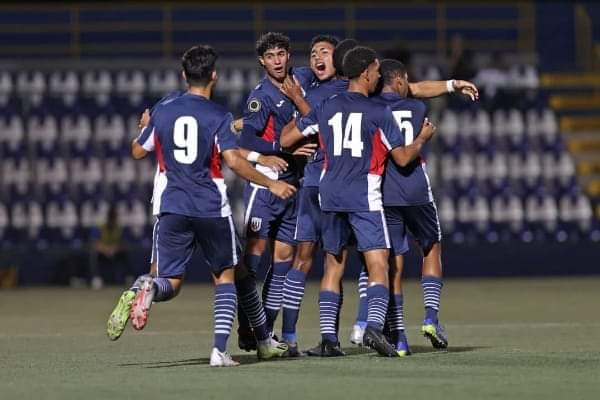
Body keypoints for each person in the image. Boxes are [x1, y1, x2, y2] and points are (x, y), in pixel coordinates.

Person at [280, 38, 479, 351]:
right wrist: (422, 138)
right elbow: (401, 158)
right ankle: (372, 326)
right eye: (374, 70)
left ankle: (328, 340)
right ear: (363, 74)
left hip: (329, 193)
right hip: (364, 195)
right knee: (378, 263)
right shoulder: (377, 111)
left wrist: (303, 145)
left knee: (333, 265)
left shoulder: (327, 106)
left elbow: (286, 136)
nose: (377, 75)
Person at [107, 44, 295, 367]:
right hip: (210, 208)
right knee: (227, 277)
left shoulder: (164, 108)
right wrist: (271, 182)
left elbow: (137, 152)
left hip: (171, 208)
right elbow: (233, 161)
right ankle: (220, 350)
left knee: (174, 282)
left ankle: (150, 287)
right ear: (214, 76)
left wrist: (142, 128)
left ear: (183, 75)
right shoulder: (217, 115)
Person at [237, 32, 313, 350]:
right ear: (262, 61)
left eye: (281, 54)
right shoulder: (261, 96)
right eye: (271, 56)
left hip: (294, 183)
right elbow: (247, 139)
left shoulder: (301, 79)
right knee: (252, 261)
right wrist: (275, 151)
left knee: (283, 259)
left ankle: (265, 330)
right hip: (264, 183)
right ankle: (246, 330)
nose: (277, 61)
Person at [374, 59, 452, 356]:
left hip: (386, 192)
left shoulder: (373, 109)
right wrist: (451, 85)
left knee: (393, 264)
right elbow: (416, 94)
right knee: (431, 248)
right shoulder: (418, 108)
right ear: (401, 80)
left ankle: (401, 338)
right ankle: (431, 317)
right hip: (417, 189)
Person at [89, 205, 132, 289]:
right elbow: (95, 244)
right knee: (94, 255)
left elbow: (124, 244)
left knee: (125, 254)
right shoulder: (101, 227)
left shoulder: (119, 228)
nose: (112, 220)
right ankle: (96, 278)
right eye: (111, 218)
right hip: (104, 252)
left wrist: (114, 249)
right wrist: (106, 250)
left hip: (115, 252)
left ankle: (128, 277)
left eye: (114, 218)